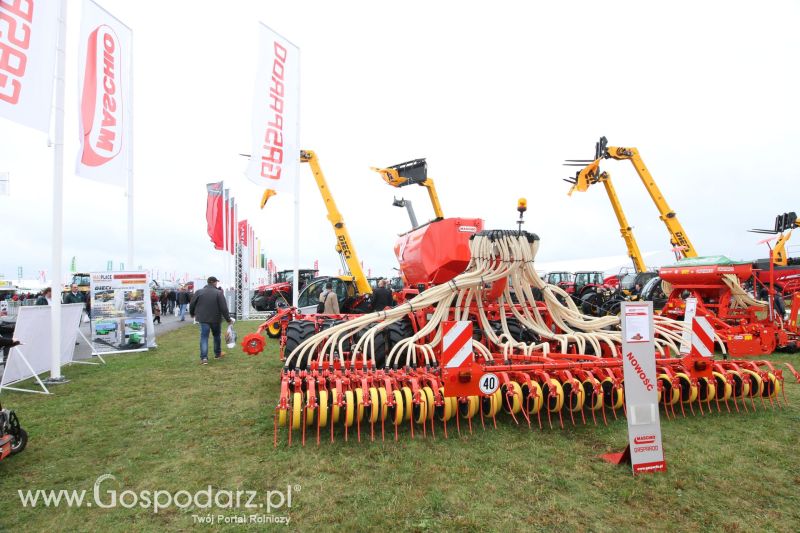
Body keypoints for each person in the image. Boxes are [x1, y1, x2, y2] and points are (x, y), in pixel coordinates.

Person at [190, 276, 234, 365]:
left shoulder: (199, 292)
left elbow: (192, 304)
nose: (217, 283)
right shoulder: (219, 293)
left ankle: (204, 358)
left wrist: (192, 313)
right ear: (214, 282)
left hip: (203, 318)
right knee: (216, 336)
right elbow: (224, 308)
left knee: (204, 337)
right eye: (216, 282)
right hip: (216, 319)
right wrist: (228, 319)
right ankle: (217, 354)